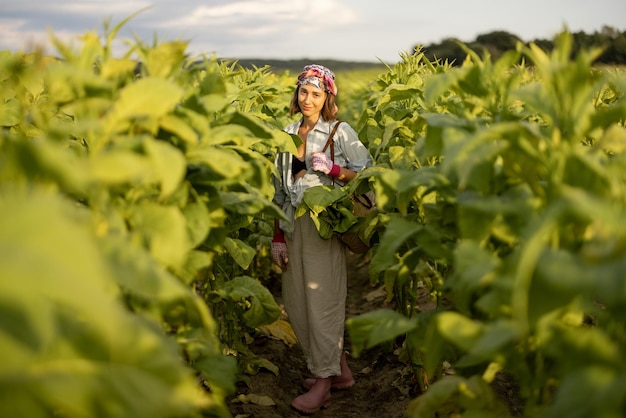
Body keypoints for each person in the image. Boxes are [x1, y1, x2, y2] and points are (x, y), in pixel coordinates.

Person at [271, 64, 373, 414]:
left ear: (327, 96)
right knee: (297, 302)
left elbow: (367, 176)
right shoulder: (286, 133)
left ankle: (324, 385)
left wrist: (334, 171)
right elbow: (279, 193)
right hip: (293, 227)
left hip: (324, 227)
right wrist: (277, 238)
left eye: (316, 93)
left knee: (323, 302)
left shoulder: (340, 132)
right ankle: (338, 370)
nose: (308, 99)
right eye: (303, 92)